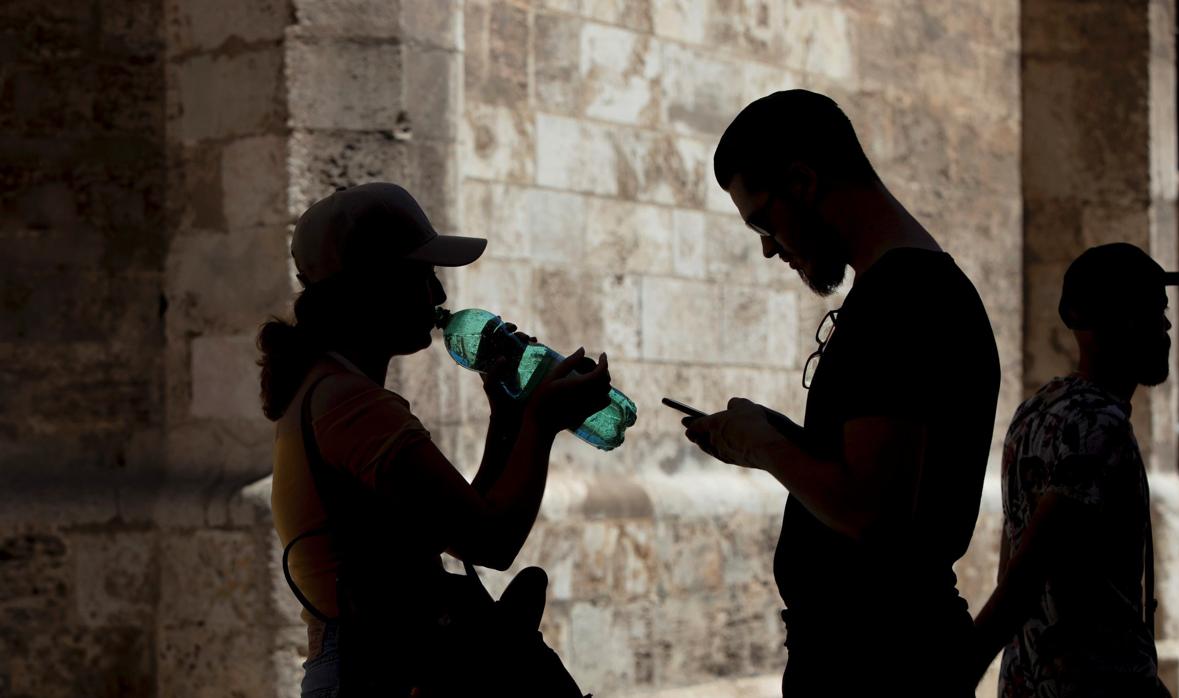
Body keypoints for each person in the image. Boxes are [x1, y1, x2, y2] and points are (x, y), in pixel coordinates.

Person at [683, 89, 1001, 696]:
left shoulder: (903, 300)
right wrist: (778, 434)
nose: (769, 247)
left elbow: (872, 513)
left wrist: (766, 449)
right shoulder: (906, 289)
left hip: (877, 666)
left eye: (763, 221)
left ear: (802, 182)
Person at [260, 182, 607, 697]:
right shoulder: (352, 407)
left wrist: (508, 421)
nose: (441, 296)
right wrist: (542, 423)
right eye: (424, 277)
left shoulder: (328, 390)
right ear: (372, 289)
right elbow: (493, 542)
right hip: (375, 673)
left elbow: (462, 520)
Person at [972, 243, 1179, 697]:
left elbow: (1012, 558)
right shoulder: (1101, 428)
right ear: (1126, 321)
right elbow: (1026, 573)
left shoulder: (1035, 411)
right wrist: (956, 672)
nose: (1168, 325)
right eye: (1157, 310)